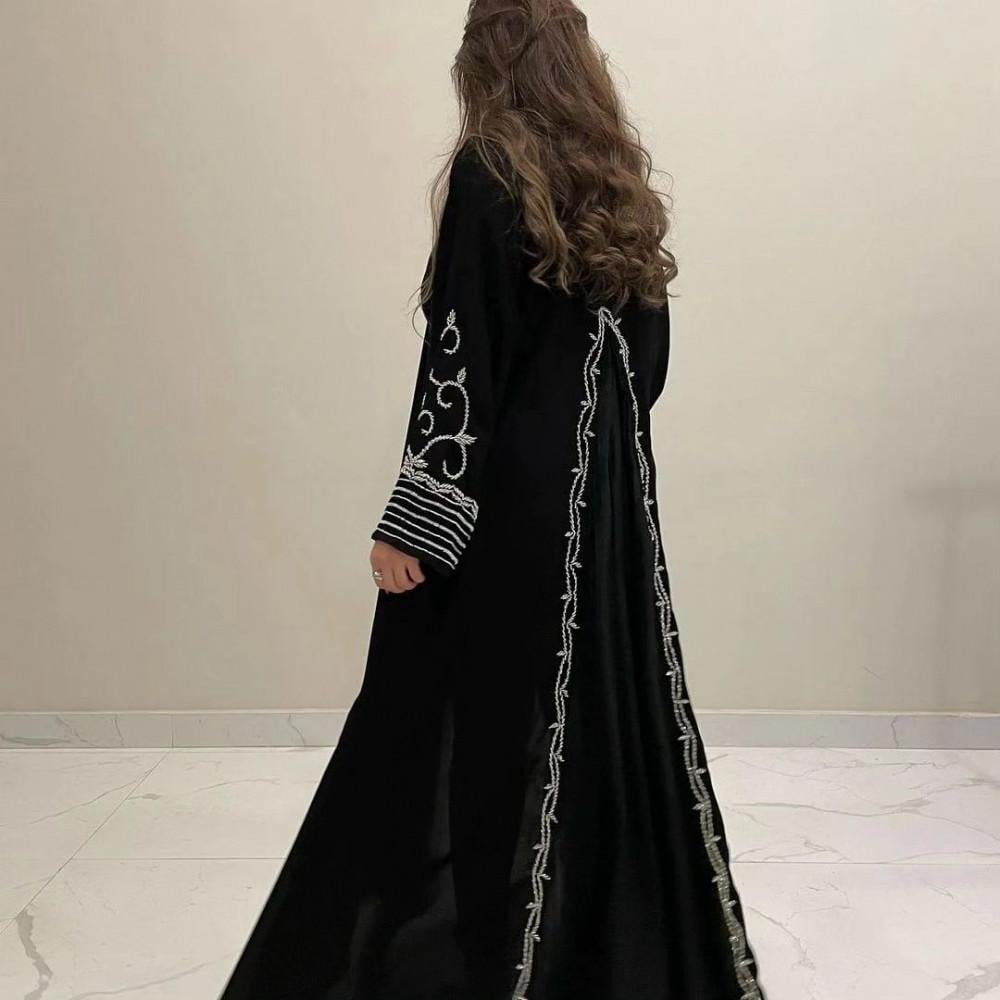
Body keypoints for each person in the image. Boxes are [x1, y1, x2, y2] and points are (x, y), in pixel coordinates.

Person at [221, 1, 765, 998]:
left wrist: (418, 519)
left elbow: (460, 354)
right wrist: (591, 446)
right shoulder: (614, 181)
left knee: (472, 722)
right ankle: (578, 954)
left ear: (486, 56)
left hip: (510, 502)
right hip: (608, 511)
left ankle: (487, 959)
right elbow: (646, 364)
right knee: (590, 719)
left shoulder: (491, 168)